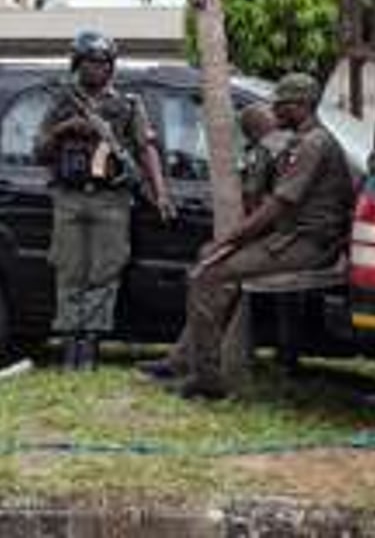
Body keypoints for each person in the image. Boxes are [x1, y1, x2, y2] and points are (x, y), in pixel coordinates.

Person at [145, 73, 355, 400]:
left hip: (307, 244)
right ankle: (184, 360)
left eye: (281, 105)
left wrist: (229, 241)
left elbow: (277, 205)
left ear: (300, 106)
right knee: (210, 267)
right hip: (292, 238)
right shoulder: (300, 141)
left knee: (207, 277)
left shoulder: (314, 144)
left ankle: (208, 381)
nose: (275, 111)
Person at [34, 29, 176, 370]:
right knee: (69, 271)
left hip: (111, 199)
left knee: (104, 272)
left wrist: (161, 193)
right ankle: (69, 346)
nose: (98, 69)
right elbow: (38, 151)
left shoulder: (127, 105)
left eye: (104, 63)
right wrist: (64, 129)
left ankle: (90, 348)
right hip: (69, 197)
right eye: (91, 62)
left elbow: (146, 150)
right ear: (77, 64)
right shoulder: (61, 103)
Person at [137, 101, 282, 384]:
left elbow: (256, 198)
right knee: (210, 279)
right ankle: (182, 360)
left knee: (211, 280)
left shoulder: (269, 152)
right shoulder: (270, 150)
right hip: (266, 237)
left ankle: (198, 370)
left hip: (273, 239)